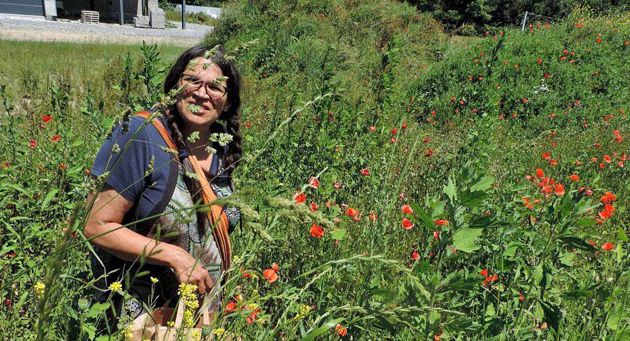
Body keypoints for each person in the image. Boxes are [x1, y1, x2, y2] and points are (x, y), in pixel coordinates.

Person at [83, 45, 242, 331]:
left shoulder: (220, 152)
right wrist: (174, 256)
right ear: (174, 86)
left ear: (227, 102)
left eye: (215, 87)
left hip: (199, 317)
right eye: (192, 80)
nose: (201, 93)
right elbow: (96, 225)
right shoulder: (143, 137)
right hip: (143, 320)